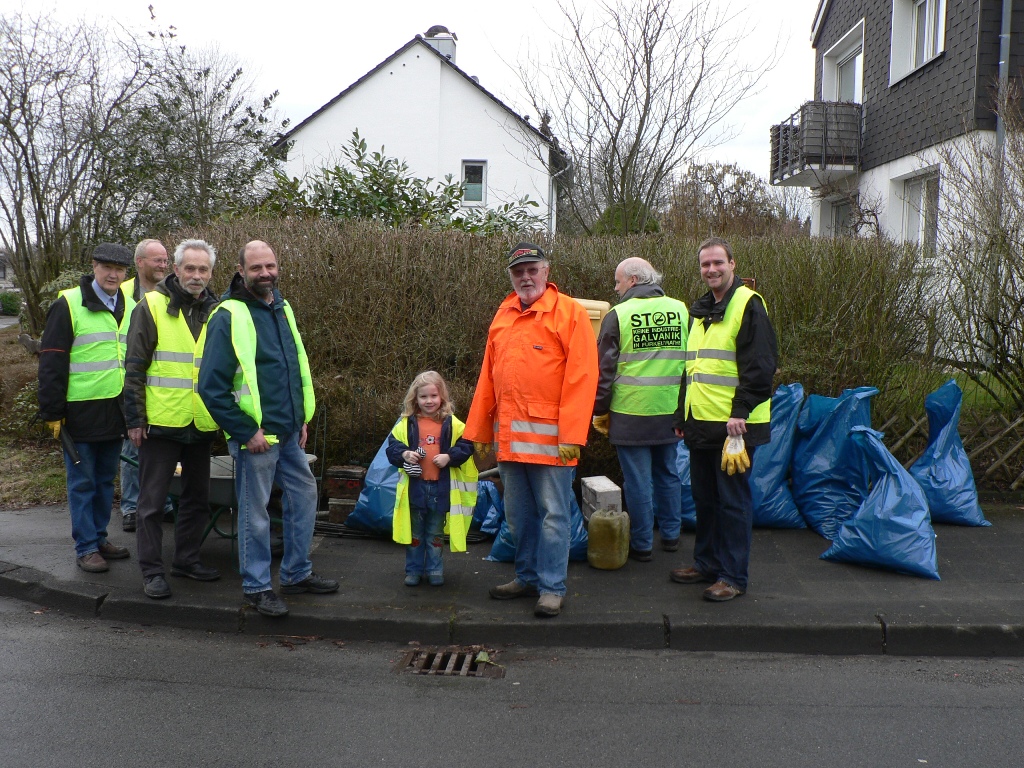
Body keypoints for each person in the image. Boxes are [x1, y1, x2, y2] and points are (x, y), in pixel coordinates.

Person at [198, 240, 338, 617]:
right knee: (254, 513)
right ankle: (257, 587)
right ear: (240, 270)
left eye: (270, 266)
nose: (265, 273)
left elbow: (291, 367)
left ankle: (295, 573)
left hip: (289, 431)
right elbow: (211, 387)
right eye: (257, 267)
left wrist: (301, 417)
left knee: (305, 497)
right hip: (256, 438)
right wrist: (245, 431)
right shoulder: (228, 314)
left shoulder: (281, 306)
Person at [464, 242, 598, 618]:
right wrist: (478, 431)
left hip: (554, 444)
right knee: (518, 516)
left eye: (532, 269)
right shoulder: (503, 314)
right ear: (511, 276)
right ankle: (526, 578)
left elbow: (583, 378)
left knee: (554, 517)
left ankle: (551, 588)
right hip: (510, 441)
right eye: (518, 271)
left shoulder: (568, 313)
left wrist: (572, 435)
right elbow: (488, 378)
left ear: (546, 271)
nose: (525, 277)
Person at [670, 237, 777, 602]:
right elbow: (693, 369)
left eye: (718, 263)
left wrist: (740, 412)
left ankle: (732, 577)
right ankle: (707, 563)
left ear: (733, 264)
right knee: (705, 499)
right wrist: (680, 412)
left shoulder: (748, 306)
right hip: (702, 422)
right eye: (705, 265)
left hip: (735, 427)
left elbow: (760, 366)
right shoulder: (701, 310)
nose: (711, 270)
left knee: (732, 503)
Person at [124, 239, 221, 600]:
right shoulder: (151, 305)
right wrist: (134, 420)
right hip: (160, 425)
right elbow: (134, 367)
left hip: (201, 423)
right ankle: (151, 571)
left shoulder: (218, 310)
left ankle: (186, 560)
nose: (197, 276)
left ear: (211, 273)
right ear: (176, 270)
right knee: (150, 505)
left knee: (197, 499)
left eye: (204, 269)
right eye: (190, 268)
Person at [37, 243, 135, 572]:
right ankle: (86, 547)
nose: (113, 274)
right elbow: (52, 360)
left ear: (126, 273)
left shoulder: (131, 306)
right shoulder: (69, 304)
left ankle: (100, 537)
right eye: (107, 267)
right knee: (82, 482)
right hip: (78, 412)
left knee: (106, 480)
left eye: (119, 269)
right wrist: (52, 412)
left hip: (116, 410)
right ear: (93, 266)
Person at [592, 257, 689, 561]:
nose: (616, 288)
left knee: (637, 481)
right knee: (668, 474)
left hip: (630, 412)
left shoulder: (618, 315)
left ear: (633, 280)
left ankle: (643, 544)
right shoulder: (681, 310)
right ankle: (672, 536)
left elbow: (604, 372)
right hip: (670, 410)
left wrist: (599, 409)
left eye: (618, 281)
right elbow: (691, 363)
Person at [386, 371, 477, 587]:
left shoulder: (453, 424)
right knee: (415, 533)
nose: (429, 401)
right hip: (415, 488)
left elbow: (467, 446)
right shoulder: (406, 424)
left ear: (442, 397)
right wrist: (405, 454)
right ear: (415, 399)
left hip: (440, 488)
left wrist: (449, 457)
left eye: (433, 396)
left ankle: (435, 570)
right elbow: (393, 447)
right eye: (423, 397)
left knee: (435, 533)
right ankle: (414, 570)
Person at [120, 238, 173, 533]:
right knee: (133, 447)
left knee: (160, 452)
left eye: (165, 261)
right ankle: (130, 507)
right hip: (132, 382)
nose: (163, 266)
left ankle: (162, 504)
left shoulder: (170, 293)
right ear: (140, 262)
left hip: (165, 387)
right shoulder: (124, 294)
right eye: (157, 260)